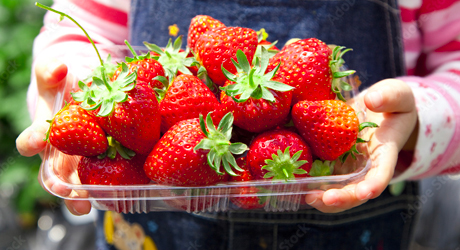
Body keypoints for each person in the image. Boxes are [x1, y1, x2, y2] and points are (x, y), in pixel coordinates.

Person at [15, 0, 460, 249]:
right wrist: (72, 85)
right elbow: (84, 32)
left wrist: (420, 118)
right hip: (156, 230)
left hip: (349, 222)